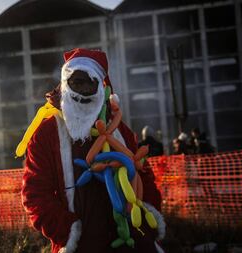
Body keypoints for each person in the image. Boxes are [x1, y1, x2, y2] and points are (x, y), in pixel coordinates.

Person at [20, 48, 164, 253]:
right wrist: (68, 231)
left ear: (100, 87)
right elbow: (35, 194)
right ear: (64, 84)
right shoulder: (46, 134)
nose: (84, 90)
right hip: (82, 244)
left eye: (91, 82)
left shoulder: (118, 129)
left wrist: (146, 220)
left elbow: (143, 175)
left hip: (128, 241)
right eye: (77, 82)